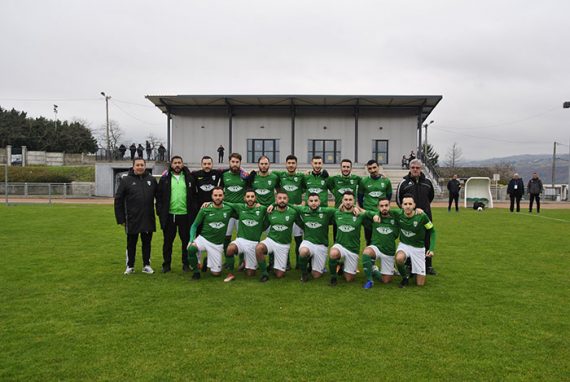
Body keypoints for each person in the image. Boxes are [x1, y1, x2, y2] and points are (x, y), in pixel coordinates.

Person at [114, 158, 158, 275]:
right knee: (131, 243)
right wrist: (121, 219)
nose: (140, 167)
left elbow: (160, 198)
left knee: (147, 243)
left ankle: (146, 265)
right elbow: (118, 200)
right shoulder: (126, 180)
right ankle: (130, 266)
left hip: (148, 218)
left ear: (145, 166)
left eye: (142, 165)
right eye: (137, 165)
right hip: (132, 219)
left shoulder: (151, 180)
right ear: (133, 167)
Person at [396, 159, 436, 275]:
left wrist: (423, 209)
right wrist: (410, 211)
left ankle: (428, 265)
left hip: (425, 217)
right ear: (410, 168)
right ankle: (409, 265)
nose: (415, 169)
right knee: (409, 240)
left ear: (421, 169)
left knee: (427, 239)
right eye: (413, 167)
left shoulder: (427, 182)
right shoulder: (404, 182)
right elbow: (399, 200)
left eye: (417, 168)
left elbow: (431, 197)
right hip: (409, 218)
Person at [156, 156, 196, 273]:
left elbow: (194, 196)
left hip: (185, 215)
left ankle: (186, 264)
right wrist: (159, 211)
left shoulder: (189, 178)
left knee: (186, 242)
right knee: (168, 242)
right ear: (171, 165)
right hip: (170, 215)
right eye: (175, 163)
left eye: (179, 163)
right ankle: (166, 265)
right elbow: (159, 197)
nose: (177, 165)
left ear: (182, 164)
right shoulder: (165, 179)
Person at [187, 187, 236, 280]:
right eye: (215, 195)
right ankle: (196, 272)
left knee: (216, 274)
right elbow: (194, 225)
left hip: (217, 244)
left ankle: (206, 261)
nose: (218, 197)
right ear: (212, 197)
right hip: (204, 239)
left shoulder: (228, 209)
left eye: (220, 195)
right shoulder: (205, 209)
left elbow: (241, 211)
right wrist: (191, 240)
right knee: (191, 249)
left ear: (223, 196)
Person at [361, 198, 408, 289]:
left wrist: (418, 210)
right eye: (381, 206)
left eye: (386, 205)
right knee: (367, 252)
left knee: (386, 281)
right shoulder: (375, 215)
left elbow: (408, 210)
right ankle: (369, 280)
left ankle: (374, 270)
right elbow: (363, 211)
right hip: (376, 248)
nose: (384, 208)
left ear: (389, 206)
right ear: (378, 207)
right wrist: (357, 209)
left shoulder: (396, 215)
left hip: (389, 251)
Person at [255, 190, 300, 282]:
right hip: (271, 240)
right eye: (279, 198)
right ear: (276, 200)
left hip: (283, 244)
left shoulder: (293, 212)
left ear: (288, 200)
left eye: (284, 198)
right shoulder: (270, 211)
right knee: (259, 248)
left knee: (279, 275)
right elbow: (264, 226)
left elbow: (301, 224)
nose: (282, 200)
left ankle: (275, 266)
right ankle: (264, 273)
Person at [224, 189, 269, 281]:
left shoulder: (262, 208)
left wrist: (273, 205)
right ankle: (231, 273)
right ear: (244, 198)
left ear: (256, 198)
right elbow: (225, 203)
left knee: (250, 274)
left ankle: (246, 262)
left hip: (254, 243)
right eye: (248, 197)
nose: (250, 199)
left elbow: (272, 210)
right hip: (241, 240)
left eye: (252, 197)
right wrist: (209, 203)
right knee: (230, 249)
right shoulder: (240, 207)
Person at [394, 194, 436, 287]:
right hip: (404, 245)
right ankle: (405, 278)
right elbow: (382, 210)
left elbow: (432, 231)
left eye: (410, 204)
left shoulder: (422, 216)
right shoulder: (397, 214)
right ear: (402, 205)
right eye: (405, 204)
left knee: (420, 284)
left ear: (414, 205)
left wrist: (431, 249)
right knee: (399, 258)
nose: (408, 206)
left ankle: (415, 269)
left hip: (418, 248)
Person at [293, 193, 336, 282]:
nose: (313, 203)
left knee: (316, 275)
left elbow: (340, 211)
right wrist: (273, 205)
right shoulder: (303, 209)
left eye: (316, 201)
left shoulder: (327, 211)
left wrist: (354, 207)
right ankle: (304, 273)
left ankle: (313, 262)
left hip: (321, 245)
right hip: (308, 242)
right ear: (307, 202)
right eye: (311, 201)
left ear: (320, 202)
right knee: (304, 251)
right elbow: (290, 206)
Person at [328, 191, 367, 286]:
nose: (348, 202)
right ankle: (333, 276)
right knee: (333, 253)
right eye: (346, 200)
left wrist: (359, 209)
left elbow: (374, 213)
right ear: (342, 201)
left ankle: (342, 264)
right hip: (340, 245)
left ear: (354, 201)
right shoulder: (336, 213)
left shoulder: (359, 215)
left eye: (350, 200)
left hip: (353, 249)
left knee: (349, 279)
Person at [275, 154, 306, 269]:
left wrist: (304, 202)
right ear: (286, 164)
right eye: (289, 163)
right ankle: (286, 262)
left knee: (298, 239)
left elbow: (309, 188)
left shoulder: (301, 177)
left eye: (293, 163)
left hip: (297, 212)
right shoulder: (280, 176)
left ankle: (299, 263)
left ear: (296, 165)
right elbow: (277, 188)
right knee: (284, 238)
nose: (291, 165)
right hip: (284, 211)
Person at [358, 159, 392, 246]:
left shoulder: (386, 181)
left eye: (374, 167)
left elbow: (388, 196)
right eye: (370, 168)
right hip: (368, 213)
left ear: (378, 167)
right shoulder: (364, 181)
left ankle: (381, 254)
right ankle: (370, 257)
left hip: (381, 213)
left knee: (382, 236)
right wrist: (365, 209)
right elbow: (360, 197)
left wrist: (383, 208)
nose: (372, 170)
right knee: (369, 239)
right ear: (367, 169)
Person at [221, 153, 249, 254]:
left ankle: (242, 261)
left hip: (241, 211)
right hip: (227, 211)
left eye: (237, 162)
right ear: (229, 162)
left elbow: (249, 192)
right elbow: (220, 191)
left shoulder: (245, 176)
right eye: (233, 162)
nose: (235, 164)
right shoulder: (224, 175)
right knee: (226, 236)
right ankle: (228, 261)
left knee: (241, 237)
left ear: (240, 163)